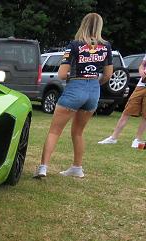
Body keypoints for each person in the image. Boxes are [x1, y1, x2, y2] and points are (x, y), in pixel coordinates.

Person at [34, 13, 113, 179]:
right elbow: (107, 75)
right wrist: (94, 83)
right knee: (78, 133)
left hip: (75, 87)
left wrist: (73, 77)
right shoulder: (106, 47)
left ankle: (43, 168)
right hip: (93, 91)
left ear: (83, 24)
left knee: (55, 131)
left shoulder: (74, 45)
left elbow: (62, 75)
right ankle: (77, 168)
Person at [98, 54, 146, 147]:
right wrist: (142, 73)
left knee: (145, 116)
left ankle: (137, 140)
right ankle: (113, 138)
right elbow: (142, 65)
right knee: (126, 112)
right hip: (141, 86)